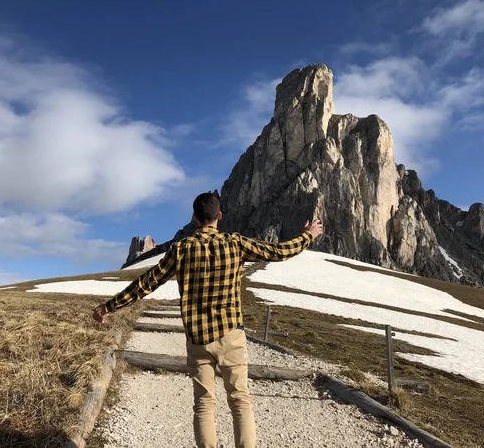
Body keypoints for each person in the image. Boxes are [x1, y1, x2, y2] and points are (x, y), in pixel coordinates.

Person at [93, 192, 323, 448]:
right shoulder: (234, 243)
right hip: (231, 334)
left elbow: (146, 283)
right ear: (219, 216)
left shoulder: (180, 249)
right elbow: (279, 251)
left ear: (194, 218)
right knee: (239, 400)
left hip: (198, 339)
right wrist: (308, 236)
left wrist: (109, 307)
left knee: (204, 403)